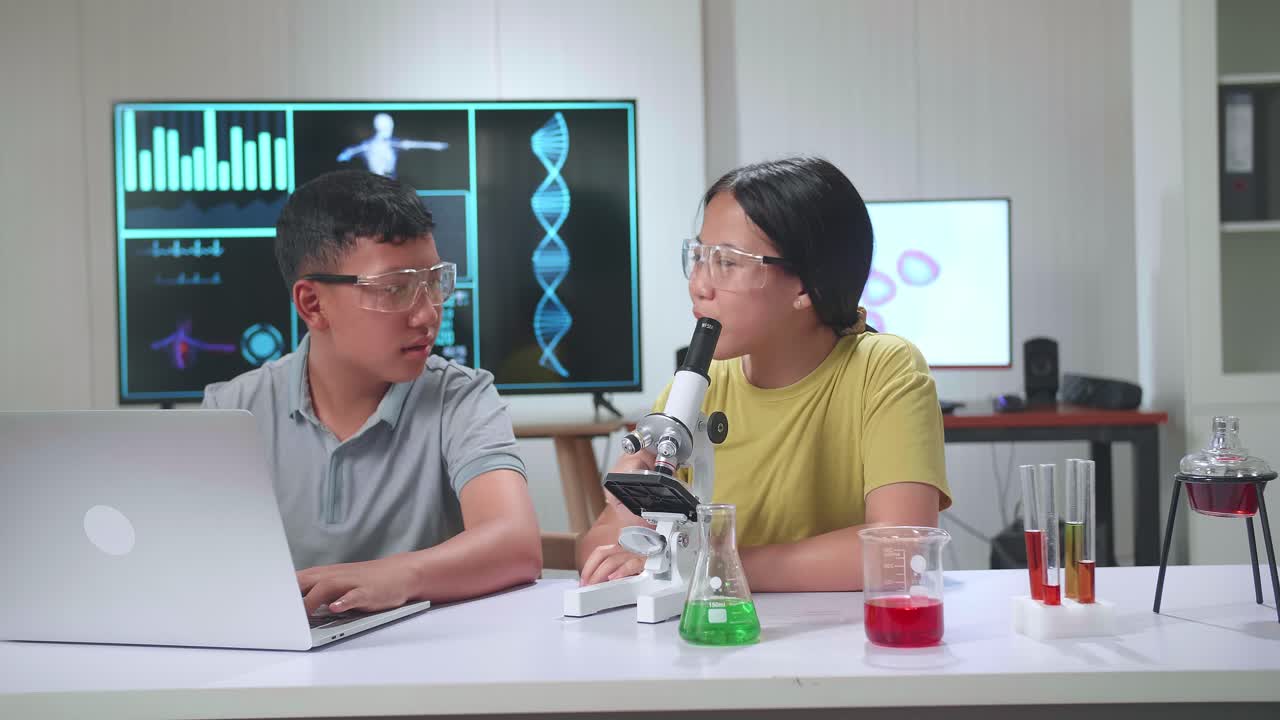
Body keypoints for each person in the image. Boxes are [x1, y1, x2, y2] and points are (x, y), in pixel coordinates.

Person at [577, 157, 951, 591]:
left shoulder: (885, 368)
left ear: (805, 286)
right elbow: (596, 550)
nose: (699, 284)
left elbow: (901, 550)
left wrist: (709, 565)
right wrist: (625, 512)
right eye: (698, 256)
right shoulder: (695, 388)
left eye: (728, 262)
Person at [204, 169, 541, 616]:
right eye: (395, 289)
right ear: (312, 304)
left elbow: (516, 543)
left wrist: (396, 576)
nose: (427, 315)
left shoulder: (459, 397)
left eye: (435, 282)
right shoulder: (232, 411)